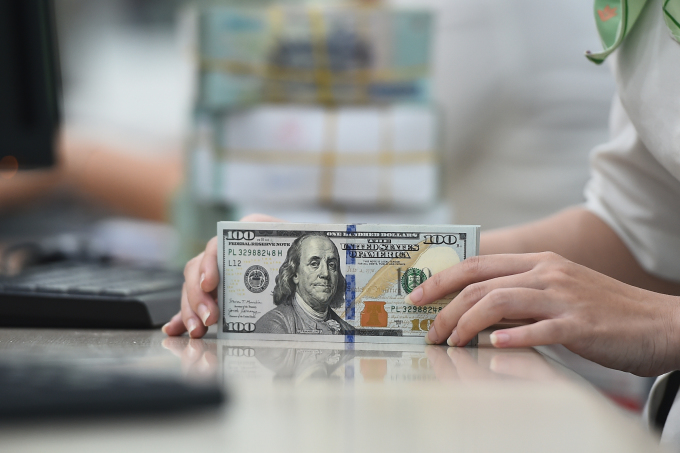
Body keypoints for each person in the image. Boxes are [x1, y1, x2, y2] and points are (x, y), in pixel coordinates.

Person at [165, 0, 680, 437]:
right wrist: (292, 251)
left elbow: (343, 177)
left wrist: (667, 322)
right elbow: (642, 235)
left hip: (575, 399)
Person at [253, 233, 353, 335]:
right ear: (295, 274)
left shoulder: (348, 330)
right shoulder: (274, 325)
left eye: (332, 265)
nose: (325, 273)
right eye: (314, 264)